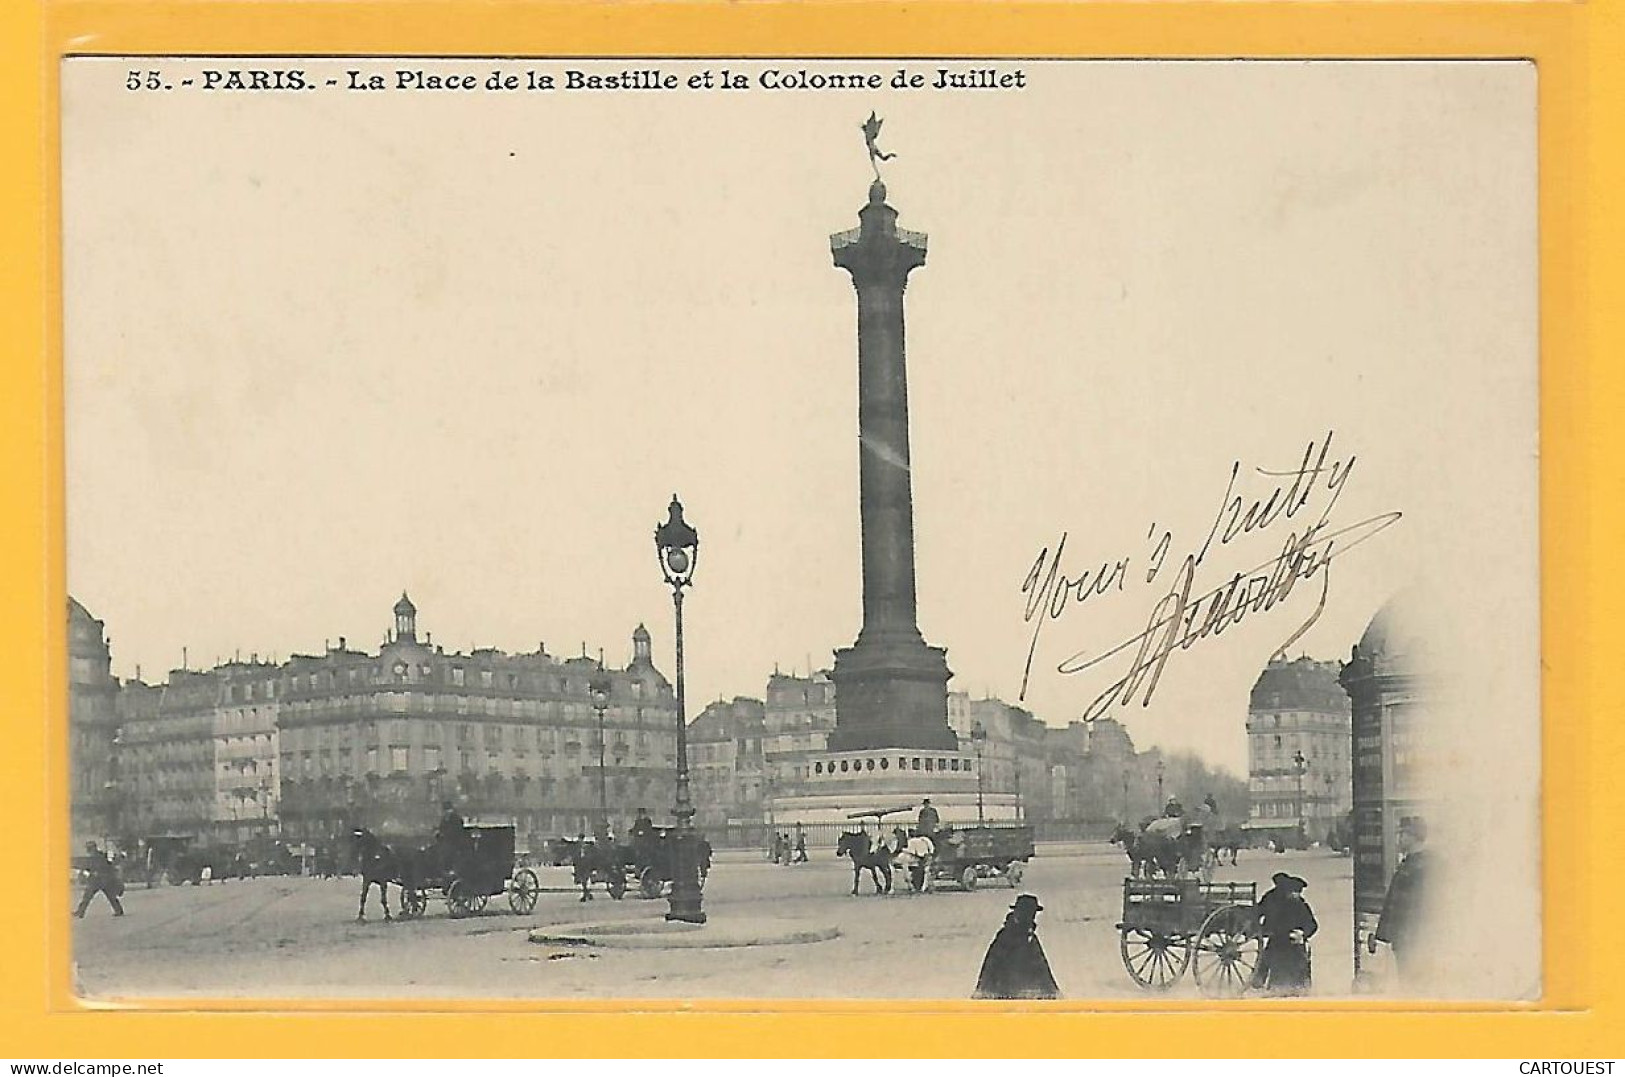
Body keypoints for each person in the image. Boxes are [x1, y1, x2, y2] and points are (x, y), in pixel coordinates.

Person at [1371, 817, 1432, 984]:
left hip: (1412, 940)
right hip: (1404, 939)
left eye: (1403, 834)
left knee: (1412, 983)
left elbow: (1419, 908)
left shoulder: (1420, 867)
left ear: (1414, 836)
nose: (1399, 839)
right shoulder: (1412, 863)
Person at [973, 894, 1060, 999]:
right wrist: (984, 990)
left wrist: (1051, 990)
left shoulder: (1027, 935)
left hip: (1023, 992)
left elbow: (1040, 965)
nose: (1033, 918)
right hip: (1006, 993)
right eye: (1031, 913)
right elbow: (992, 963)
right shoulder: (1008, 936)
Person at [1253, 872, 1317, 995]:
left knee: (1271, 959)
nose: (1295, 895)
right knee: (1283, 962)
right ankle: (1292, 987)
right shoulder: (1296, 904)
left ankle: (1263, 982)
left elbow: (1312, 925)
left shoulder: (1275, 898)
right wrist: (1303, 935)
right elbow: (1312, 924)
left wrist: (1302, 934)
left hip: (1284, 940)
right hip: (1286, 941)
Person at [74, 841, 125, 919]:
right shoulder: (101, 855)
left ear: (92, 848)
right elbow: (113, 861)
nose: (88, 850)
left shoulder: (98, 856)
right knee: (109, 896)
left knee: (88, 896)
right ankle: (118, 910)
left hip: (100, 879)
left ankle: (80, 912)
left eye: (88, 848)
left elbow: (111, 862)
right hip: (101, 880)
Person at [904, 828, 936, 893]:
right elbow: (931, 848)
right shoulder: (924, 839)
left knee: (918, 873)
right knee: (925, 872)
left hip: (918, 858)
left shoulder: (911, 841)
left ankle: (921, 887)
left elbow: (911, 851)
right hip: (925, 856)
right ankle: (924, 887)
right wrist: (930, 854)